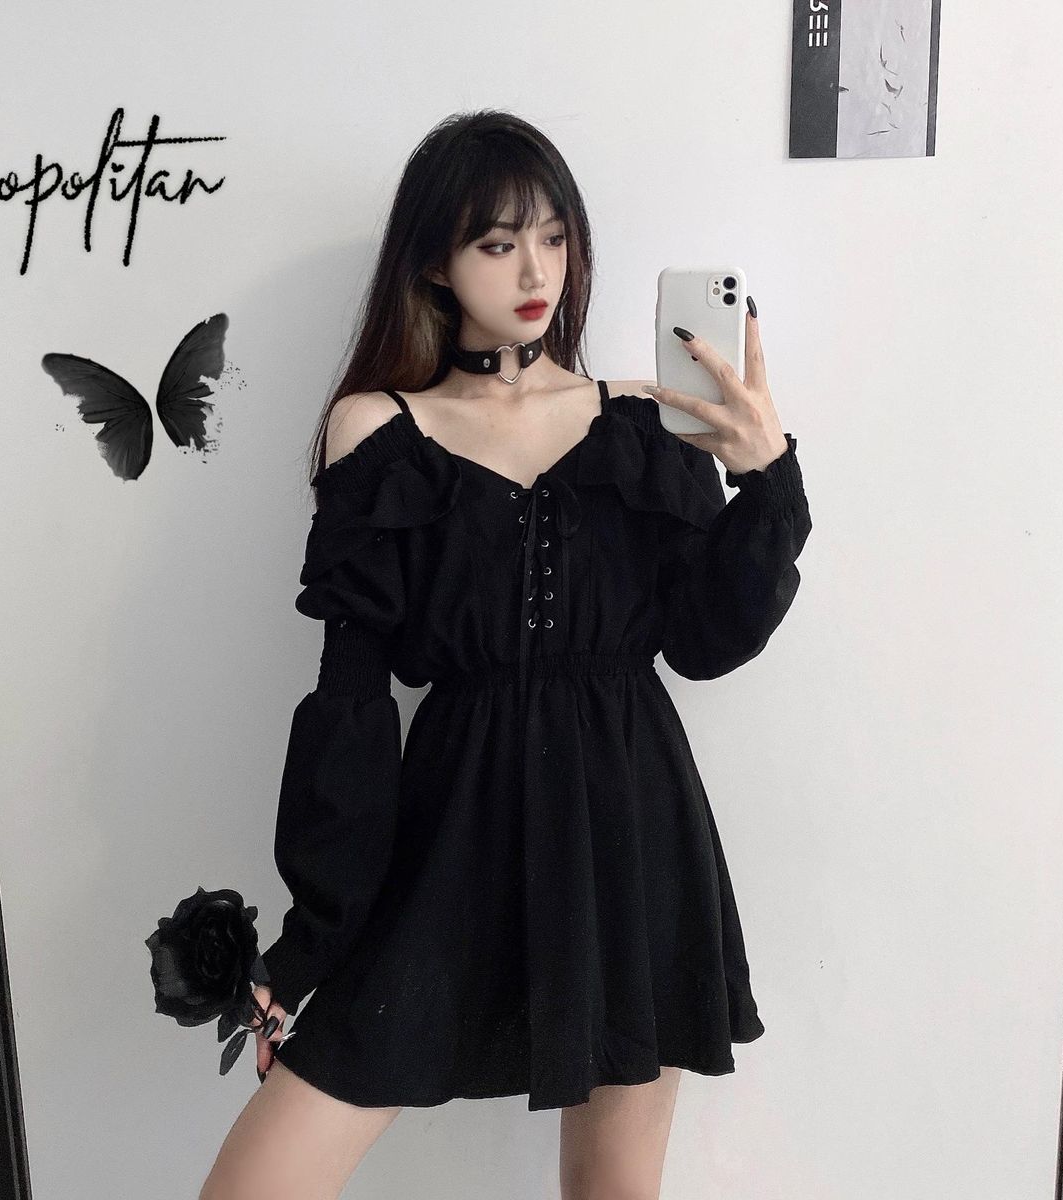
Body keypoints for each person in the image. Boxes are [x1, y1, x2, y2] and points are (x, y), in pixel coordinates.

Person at [199, 109, 811, 1200]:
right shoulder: (379, 432)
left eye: (553, 238)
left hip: (631, 834)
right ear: (434, 263)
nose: (535, 271)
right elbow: (350, 708)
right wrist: (312, 939)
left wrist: (765, 476)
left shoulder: (642, 422)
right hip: (451, 843)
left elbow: (707, 643)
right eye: (496, 242)